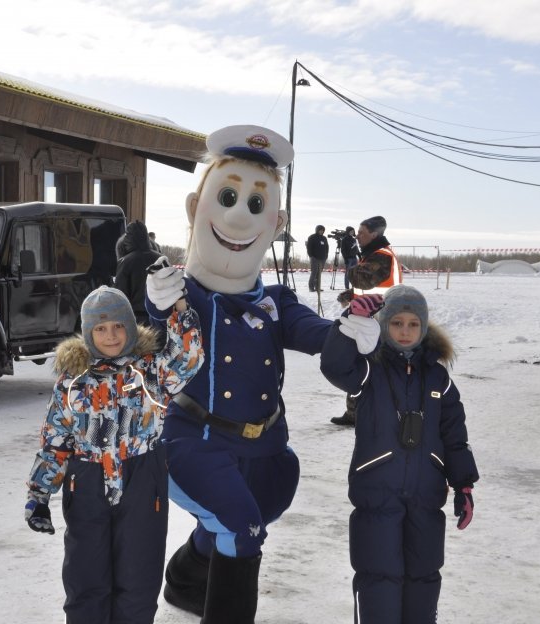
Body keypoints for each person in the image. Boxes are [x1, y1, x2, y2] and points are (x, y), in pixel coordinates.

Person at [146, 125, 334, 624]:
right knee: (241, 525)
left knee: (256, 508)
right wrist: (158, 304)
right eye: (226, 196)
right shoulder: (183, 295)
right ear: (195, 208)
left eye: (255, 204)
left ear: (277, 223)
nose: (236, 215)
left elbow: (314, 331)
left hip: (263, 443)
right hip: (194, 439)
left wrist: (353, 333)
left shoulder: (274, 301)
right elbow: (157, 322)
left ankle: (187, 580)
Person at [23, 283, 204, 624]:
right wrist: (39, 494)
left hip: (143, 481)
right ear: (88, 332)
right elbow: (55, 439)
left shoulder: (151, 372)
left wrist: (180, 308)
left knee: (138, 579)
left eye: (119, 326)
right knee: (85, 577)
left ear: (130, 328)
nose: (111, 335)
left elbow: (189, 358)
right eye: (101, 328)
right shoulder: (72, 380)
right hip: (86, 482)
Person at [320, 285, 479, 623]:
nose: (405, 332)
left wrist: (464, 485)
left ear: (423, 328)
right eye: (396, 324)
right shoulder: (369, 370)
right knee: (378, 575)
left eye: (413, 324)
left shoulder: (438, 377)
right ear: (383, 325)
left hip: (426, 495)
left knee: (424, 574)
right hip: (377, 493)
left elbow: (454, 435)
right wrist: (350, 321)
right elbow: (334, 366)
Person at [331, 215, 403, 426]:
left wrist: (350, 257)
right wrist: (351, 295)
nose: (358, 236)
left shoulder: (381, 256)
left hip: (380, 319)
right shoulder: (373, 255)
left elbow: (361, 278)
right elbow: (367, 287)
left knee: (367, 366)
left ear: (375, 234)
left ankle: (370, 410)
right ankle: (354, 412)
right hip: (369, 316)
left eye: (362, 233)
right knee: (359, 364)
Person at [115, 221, 162, 325]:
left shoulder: (125, 262)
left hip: (135, 318)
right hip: (160, 316)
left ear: (128, 238)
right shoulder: (160, 259)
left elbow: (120, 295)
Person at [306, 224, 330, 292]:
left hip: (322, 258)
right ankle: (311, 287)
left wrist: (326, 255)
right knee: (314, 272)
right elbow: (309, 247)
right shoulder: (312, 237)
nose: (321, 231)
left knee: (319, 273)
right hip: (314, 258)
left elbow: (327, 247)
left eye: (323, 230)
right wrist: (311, 255)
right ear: (317, 230)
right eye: (320, 230)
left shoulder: (324, 238)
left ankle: (317, 287)